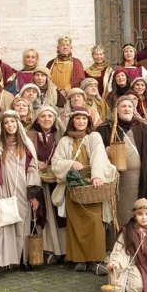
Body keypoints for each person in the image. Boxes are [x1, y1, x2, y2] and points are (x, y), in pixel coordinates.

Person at [51, 108, 116, 274]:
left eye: (84, 119)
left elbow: (99, 155)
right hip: (73, 188)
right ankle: (80, 259)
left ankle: (97, 260)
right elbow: (56, 161)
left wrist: (97, 175)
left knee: (95, 223)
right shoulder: (65, 140)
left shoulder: (93, 137)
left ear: (88, 121)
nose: (81, 122)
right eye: (77, 119)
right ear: (72, 121)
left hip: (91, 186)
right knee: (75, 224)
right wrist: (70, 164)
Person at [0, 111, 42, 281]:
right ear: (2, 126)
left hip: (22, 190)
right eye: (6, 122)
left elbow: (33, 168)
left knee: (22, 225)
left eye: (13, 122)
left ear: (18, 123)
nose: (10, 125)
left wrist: (33, 195)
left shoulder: (26, 143)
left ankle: (22, 260)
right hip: (3, 189)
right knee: (0, 227)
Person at [98, 95, 147, 228]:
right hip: (116, 181)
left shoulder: (145, 129)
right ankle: (120, 240)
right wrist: (104, 151)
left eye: (129, 106)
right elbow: (94, 154)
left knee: (140, 209)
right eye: (123, 106)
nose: (126, 109)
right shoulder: (105, 129)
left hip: (140, 178)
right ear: (116, 110)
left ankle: (140, 240)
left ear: (134, 109)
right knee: (119, 212)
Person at [28, 105, 66, 264]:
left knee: (60, 216)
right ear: (37, 119)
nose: (46, 119)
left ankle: (63, 250)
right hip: (38, 183)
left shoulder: (61, 136)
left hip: (56, 181)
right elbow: (23, 155)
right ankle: (48, 250)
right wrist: (35, 162)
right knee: (44, 215)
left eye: (50, 116)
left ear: (55, 119)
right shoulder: (29, 135)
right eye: (43, 116)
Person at [48, 36, 86, 101]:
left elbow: (80, 80)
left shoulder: (77, 63)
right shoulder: (51, 63)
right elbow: (46, 80)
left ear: (71, 48)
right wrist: (55, 91)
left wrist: (65, 91)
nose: (65, 47)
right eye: (62, 45)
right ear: (58, 48)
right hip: (53, 95)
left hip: (71, 97)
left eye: (67, 45)